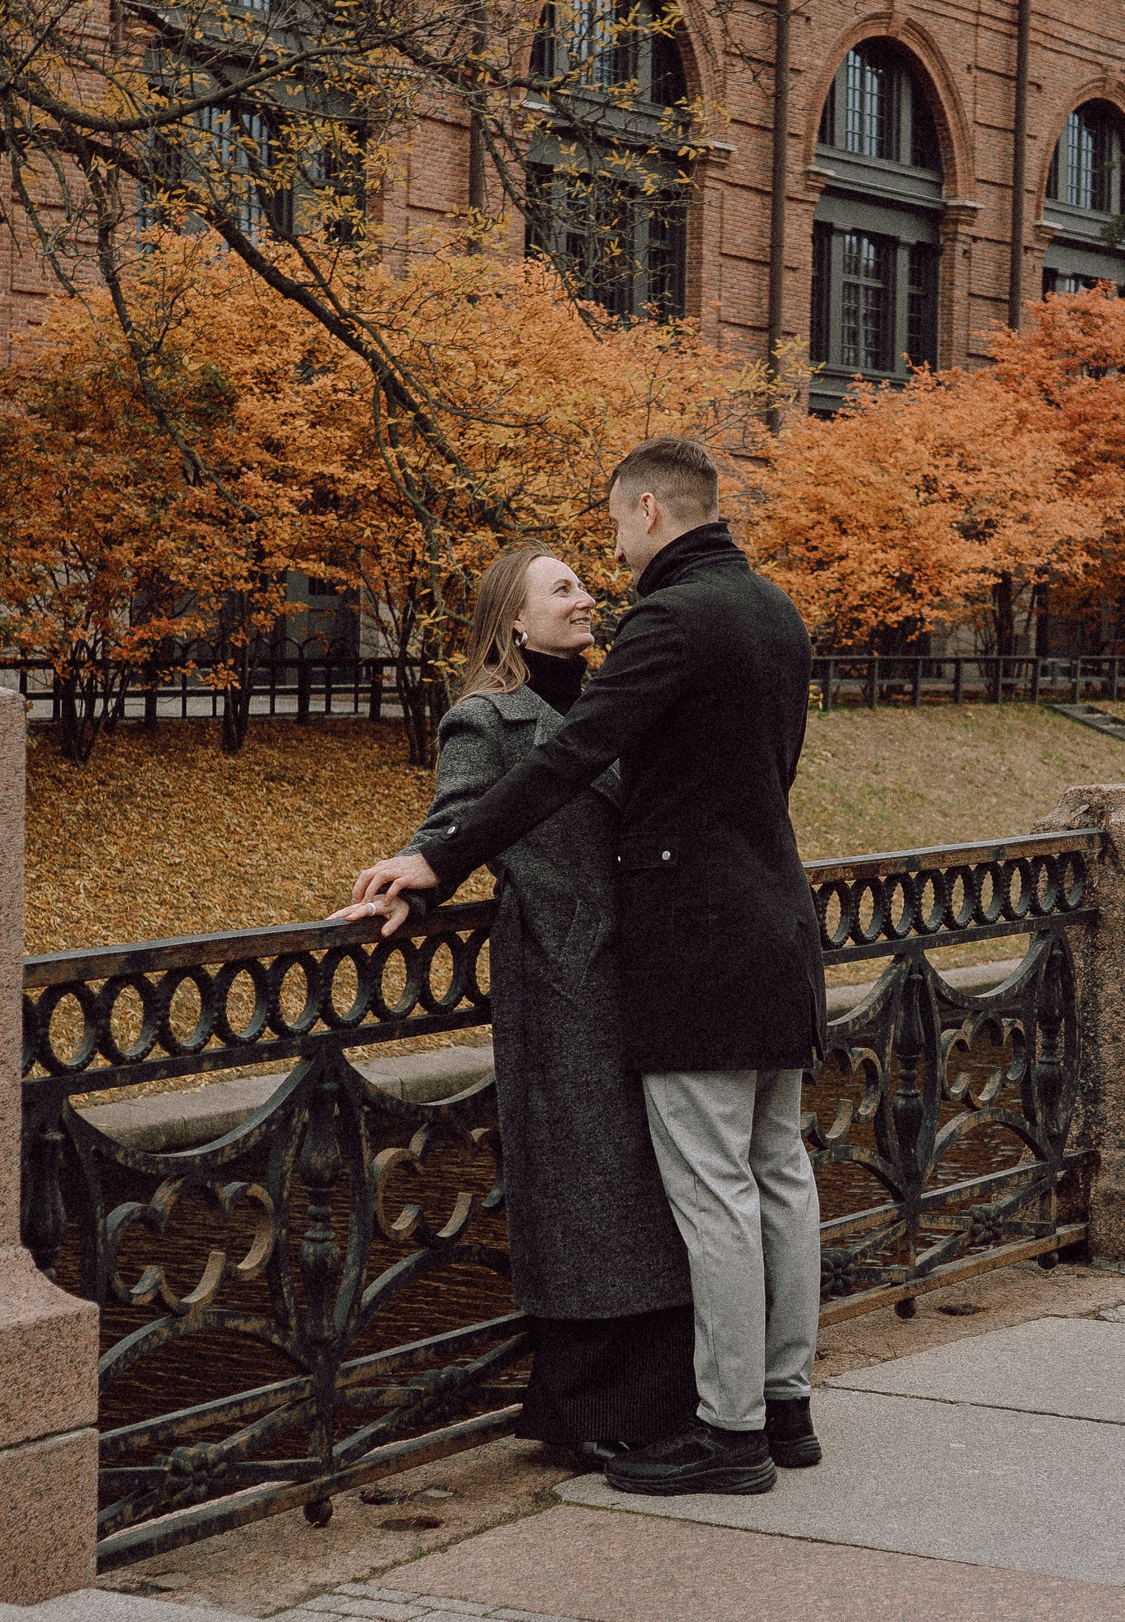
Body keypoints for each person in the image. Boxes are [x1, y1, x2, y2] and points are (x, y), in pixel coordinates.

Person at [350, 434, 826, 1497]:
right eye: (563, 578)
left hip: (694, 949)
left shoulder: (672, 619)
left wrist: (434, 860)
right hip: (776, 928)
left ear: (652, 511)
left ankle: (734, 1433)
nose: (608, 562)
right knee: (780, 1175)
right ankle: (786, 1410)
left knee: (719, 1195)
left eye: (611, 530)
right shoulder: (777, 613)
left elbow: (571, 757)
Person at [347, 546, 700, 1459]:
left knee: (653, 1190)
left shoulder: (615, 697)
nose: (588, 599)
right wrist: (412, 887)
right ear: (513, 617)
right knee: (591, 1192)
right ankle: (590, 1415)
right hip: (566, 979)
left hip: (649, 970)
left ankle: (659, 1400)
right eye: (563, 589)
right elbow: (455, 821)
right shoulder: (484, 718)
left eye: (586, 583)